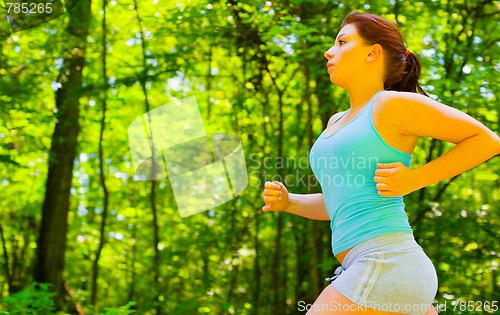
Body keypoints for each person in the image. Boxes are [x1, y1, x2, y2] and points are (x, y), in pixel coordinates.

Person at [261, 11, 500, 315]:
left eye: (342, 41)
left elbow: (487, 140)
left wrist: (415, 179)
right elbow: (340, 201)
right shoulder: (335, 122)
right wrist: (289, 201)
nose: (328, 51)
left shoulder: (389, 104)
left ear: (372, 53)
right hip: (374, 268)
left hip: (384, 260)